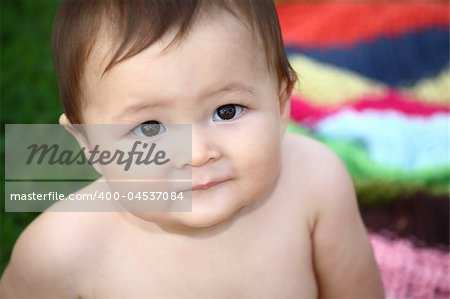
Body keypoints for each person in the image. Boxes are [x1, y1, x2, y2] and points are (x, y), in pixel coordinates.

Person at [0, 0, 384, 298]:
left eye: (226, 111)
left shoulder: (316, 184)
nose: (197, 153)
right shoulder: (58, 253)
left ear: (282, 103)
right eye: (149, 128)